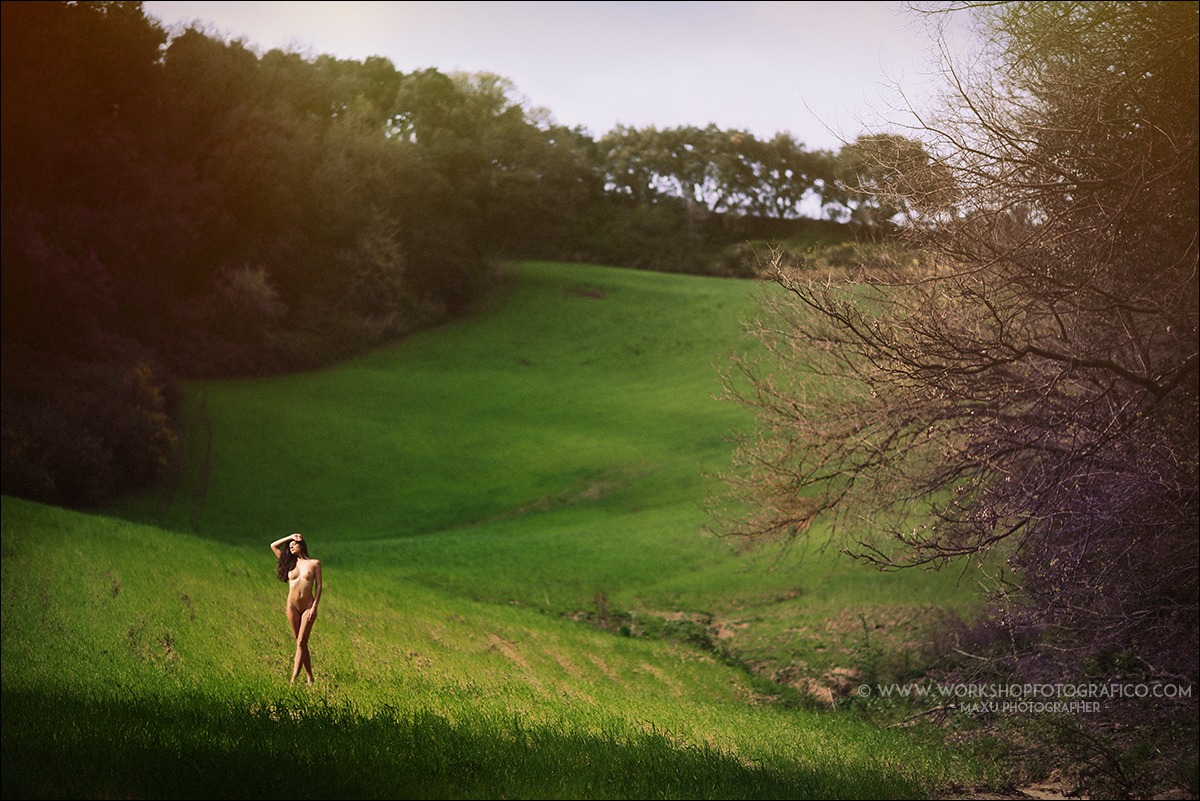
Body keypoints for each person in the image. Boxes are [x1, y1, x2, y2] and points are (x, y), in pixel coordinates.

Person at [270, 532, 322, 684]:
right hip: (292, 606)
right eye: (290, 546)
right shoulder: (289, 562)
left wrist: (314, 607)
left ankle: (293, 680)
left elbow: (319, 586)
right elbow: (273, 546)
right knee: (301, 642)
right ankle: (310, 677)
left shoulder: (314, 563)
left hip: (308, 606)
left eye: (294, 544)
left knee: (300, 642)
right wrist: (290, 537)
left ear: (301, 545)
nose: (291, 547)